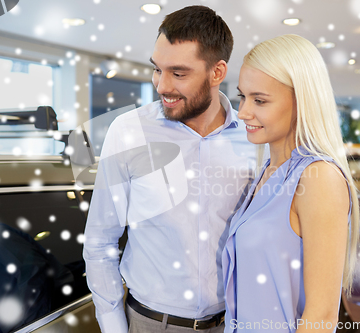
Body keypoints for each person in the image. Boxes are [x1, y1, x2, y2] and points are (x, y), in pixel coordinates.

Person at [83, 6, 259, 333]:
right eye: (157, 70)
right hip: (149, 323)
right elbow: (99, 240)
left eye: (178, 73)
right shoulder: (129, 131)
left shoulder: (253, 138)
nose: (162, 86)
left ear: (217, 72)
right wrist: (113, 326)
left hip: (233, 322)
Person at [222, 34, 360, 333]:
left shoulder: (319, 177)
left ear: (302, 102)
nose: (243, 112)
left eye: (259, 100)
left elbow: (321, 317)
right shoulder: (267, 172)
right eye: (242, 97)